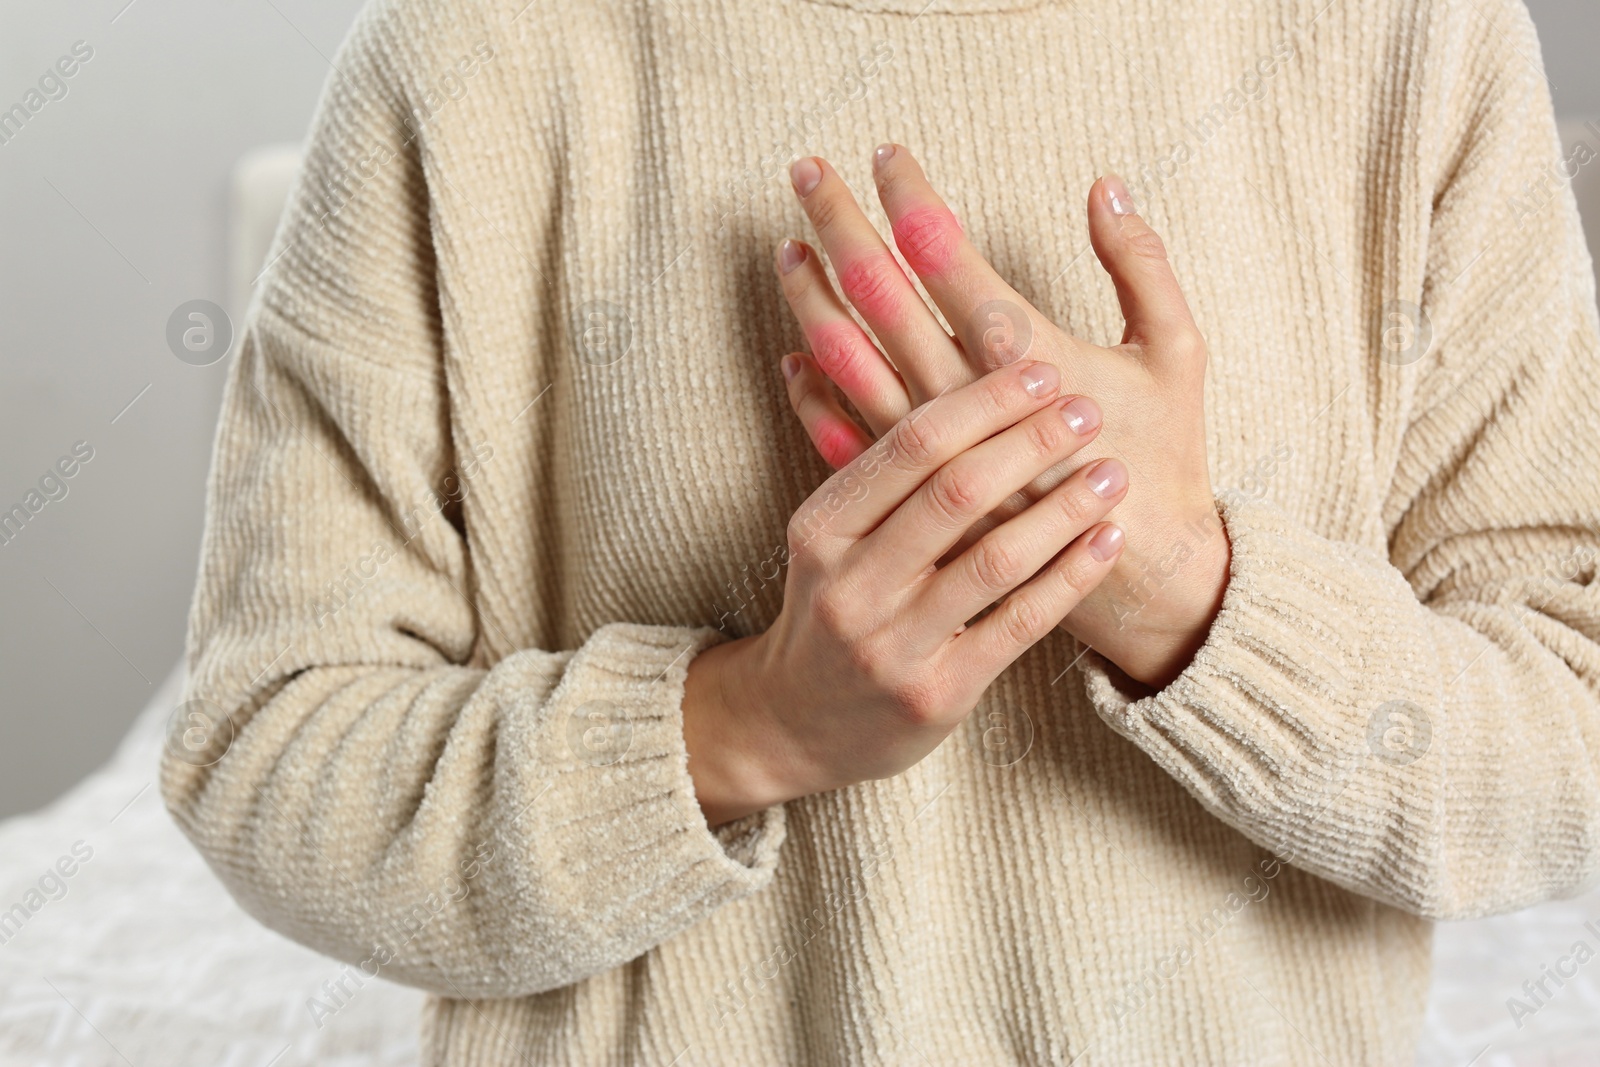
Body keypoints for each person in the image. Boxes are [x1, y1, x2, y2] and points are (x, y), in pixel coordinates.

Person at [162, 0, 1600, 1062]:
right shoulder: (466, 60)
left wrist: (1186, 593)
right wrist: (746, 727)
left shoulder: (1410, 36)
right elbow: (267, 755)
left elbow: (1571, 736)